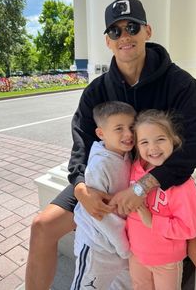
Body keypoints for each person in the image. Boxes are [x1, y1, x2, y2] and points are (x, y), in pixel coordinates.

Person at [25, 0, 196, 290]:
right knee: (42, 226)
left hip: (165, 184)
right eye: (115, 31)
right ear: (108, 41)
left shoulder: (179, 84)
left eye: (132, 27)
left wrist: (145, 185)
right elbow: (81, 143)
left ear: (147, 31)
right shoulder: (97, 91)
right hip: (107, 183)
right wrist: (80, 187)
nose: (124, 36)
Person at [126, 109, 196, 290]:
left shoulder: (182, 184)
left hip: (166, 261)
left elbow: (189, 228)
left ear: (173, 140)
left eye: (160, 139)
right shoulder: (133, 169)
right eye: (144, 142)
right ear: (137, 145)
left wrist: (152, 221)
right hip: (136, 254)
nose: (153, 148)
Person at [71, 101, 136, 290]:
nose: (128, 134)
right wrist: (124, 247)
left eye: (131, 127)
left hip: (119, 246)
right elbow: (101, 214)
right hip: (97, 248)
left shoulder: (125, 154)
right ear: (101, 133)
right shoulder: (100, 166)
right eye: (119, 128)